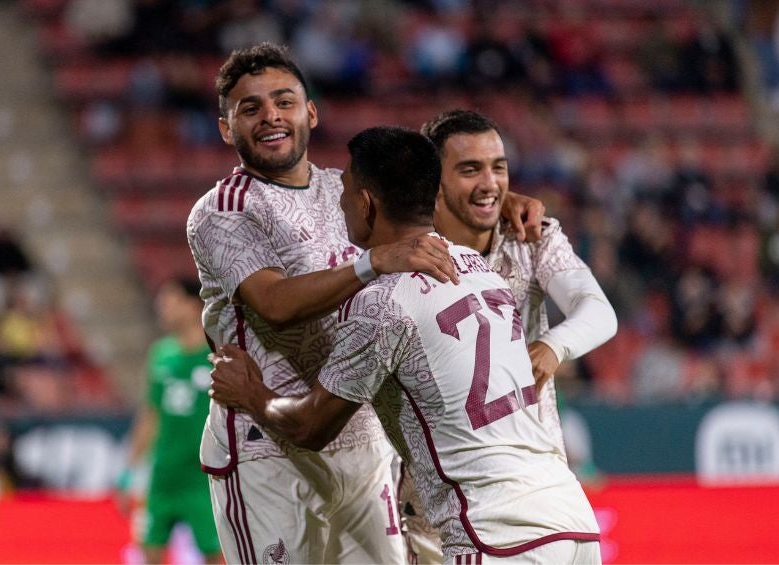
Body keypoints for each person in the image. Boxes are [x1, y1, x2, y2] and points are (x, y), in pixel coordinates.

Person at [186, 42, 542, 564]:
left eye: (283, 101)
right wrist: (373, 262)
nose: (270, 117)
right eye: (250, 108)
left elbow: (416, 191)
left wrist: (493, 199)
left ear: (310, 112)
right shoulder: (222, 210)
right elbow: (277, 304)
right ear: (226, 129)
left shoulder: (347, 189)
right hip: (266, 448)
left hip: (360, 437)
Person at [209, 125, 602, 564]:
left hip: (495, 536)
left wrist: (252, 394)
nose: (339, 202)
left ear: (366, 202)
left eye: (345, 190)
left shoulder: (383, 302)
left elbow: (311, 427)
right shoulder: (483, 272)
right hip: (573, 521)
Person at [397, 110, 618, 563]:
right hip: (439, 508)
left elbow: (598, 311)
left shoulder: (531, 237)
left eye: (499, 167)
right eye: (469, 169)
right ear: (431, 183)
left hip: (536, 492)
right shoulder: (405, 259)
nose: (490, 182)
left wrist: (553, 346)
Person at [118, 278, 221, 564]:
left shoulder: (216, 354)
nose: (161, 307)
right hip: (163, 476)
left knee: (213, 554)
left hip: (204, 476)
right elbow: (150, 415)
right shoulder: (161, 356)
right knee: (149, 551)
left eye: (170, 300)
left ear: (192, 305)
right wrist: (129, 470)